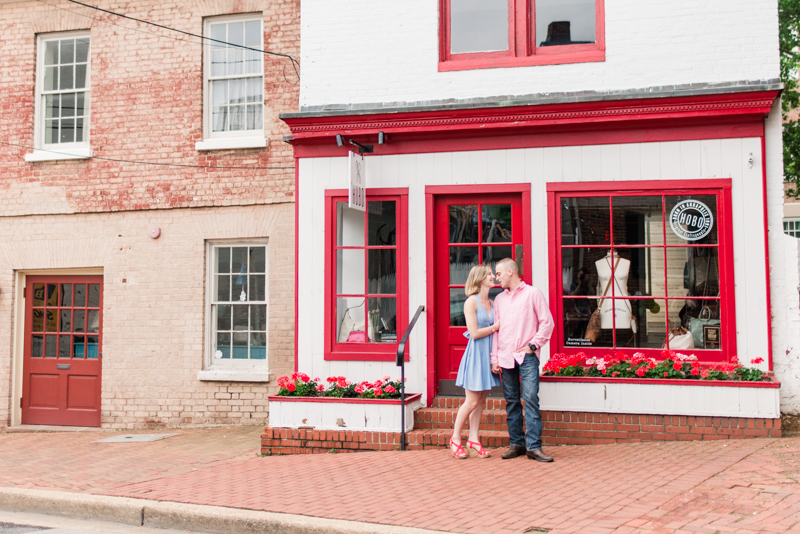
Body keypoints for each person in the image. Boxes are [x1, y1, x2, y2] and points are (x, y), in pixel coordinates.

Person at [491, 258, 555, 462]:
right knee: (511, 402)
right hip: (505, 357)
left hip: (526, 357)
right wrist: (494, 358)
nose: (496, 278)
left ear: (510, 272)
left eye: (499, 274)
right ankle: (516, 444)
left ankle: (534, 447)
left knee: (531, 400)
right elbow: (495, 331)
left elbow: (547, 323)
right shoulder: (499, 299)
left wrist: (533, 346)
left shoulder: (533, 294)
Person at [450, 264, 501, 459]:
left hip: (489, 356)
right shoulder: (471, 302)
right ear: (480, 279)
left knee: (480, 402)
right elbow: (474, 333)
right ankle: (455, 439)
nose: (493, 277)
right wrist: (494, 327)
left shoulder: (493, 302)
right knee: (471, 401)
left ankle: (473, 440)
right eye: (489, 274)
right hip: (475, 356)